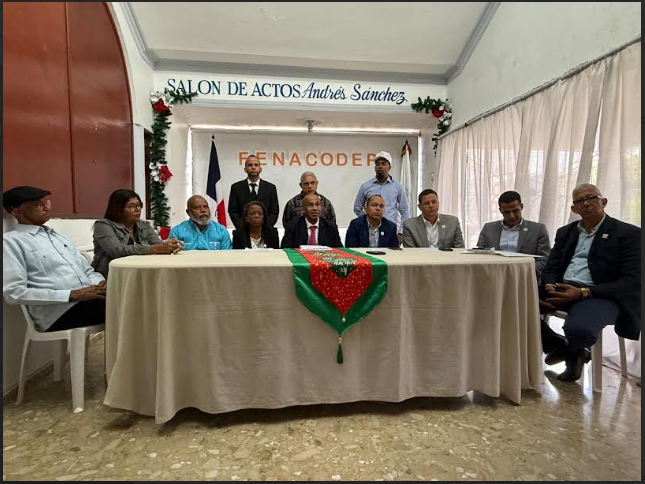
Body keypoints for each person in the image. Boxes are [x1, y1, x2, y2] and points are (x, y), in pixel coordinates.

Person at [539, 183, 641, 382]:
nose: (586, 203)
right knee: (510, 305)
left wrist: (583, 292)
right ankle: (566, 349)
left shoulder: (629, 234)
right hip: (562, 288)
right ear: (574, 209)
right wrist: (550, 286)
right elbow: (551, 267)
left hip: (601, 294)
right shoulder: (565, 232)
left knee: (580, 330)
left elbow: (632, 282)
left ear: (603, 202)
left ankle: (573, 349)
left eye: (591, 198)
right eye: (580, 201)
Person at [3, 186, 107, 332]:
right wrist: (72, 295)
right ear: (17, 211)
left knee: (132, 297)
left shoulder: (59, 238)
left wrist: (100, 284)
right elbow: (13, 292)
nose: (46, 207)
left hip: (89, 301)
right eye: (38, 204)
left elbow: (87, 271)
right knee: (129, 306)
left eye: (47, 202)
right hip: (59, 312)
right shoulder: (10, 242)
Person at [92, 189, 182, 278]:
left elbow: (158, 245)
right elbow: (117, 250)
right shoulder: (103, 225)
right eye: (132, 206)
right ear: (118, 209)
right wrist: (151, 249)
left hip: (142, 272)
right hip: (112, 275)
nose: (138, 209)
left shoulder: (144, 225)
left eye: (139, 205)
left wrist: (169, 246)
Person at [477, 190, 551, 279]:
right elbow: (479, 255)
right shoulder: (488, 228)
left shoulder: (538, 229)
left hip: (524, 277)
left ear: (522, 207)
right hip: (494, 276)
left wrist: (521, 272)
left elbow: (544, 260)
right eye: (507, 212)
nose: (512, 216)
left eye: (515, 211)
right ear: (500, 211)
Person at [353, 151, 410, 237]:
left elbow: (405, 210)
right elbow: (357, 208)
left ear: (389, 167)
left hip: (390, 231)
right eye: (378, 164)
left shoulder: (397, 187)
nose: (380, 166)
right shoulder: (365, 186)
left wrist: (401, 232)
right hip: (369, 231)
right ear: (375, 167)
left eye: (384, 164)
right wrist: (368, 219)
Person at [228, 155, 279, 230]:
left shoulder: (270, 188)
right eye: (250, 165)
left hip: (266, 231)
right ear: (245, 169)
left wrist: (266, 227)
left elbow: (274, 211)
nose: (253, 167)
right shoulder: (236, 187)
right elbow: (233, 211)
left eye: (256, 165)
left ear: (260, 169)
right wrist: (241, 228)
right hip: (242, 231)